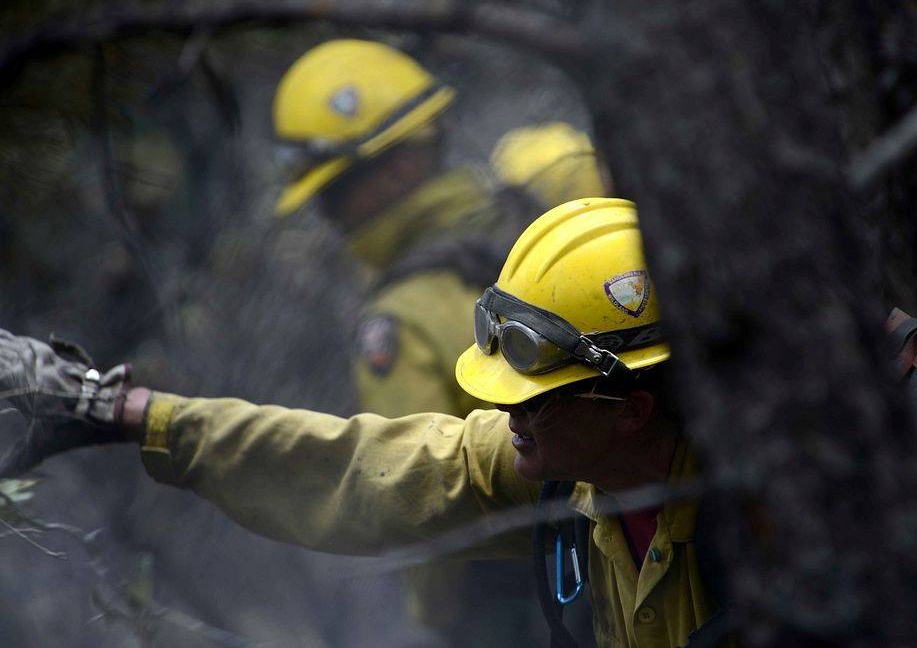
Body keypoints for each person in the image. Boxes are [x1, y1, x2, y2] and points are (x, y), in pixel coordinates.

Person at [0, 198, 725, 648]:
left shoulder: (762, 517)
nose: (504, 412)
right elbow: (355, 468)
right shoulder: (565, 475)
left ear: (630, 409)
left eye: (534, 397)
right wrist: (128, 412)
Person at [271, 40, 607, 645]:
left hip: (512, 602)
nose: (328, 213)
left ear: (398, 167)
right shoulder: (542, 230)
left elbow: (414, 491)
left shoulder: (399, 318)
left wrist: (443, 619)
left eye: (335, 189)